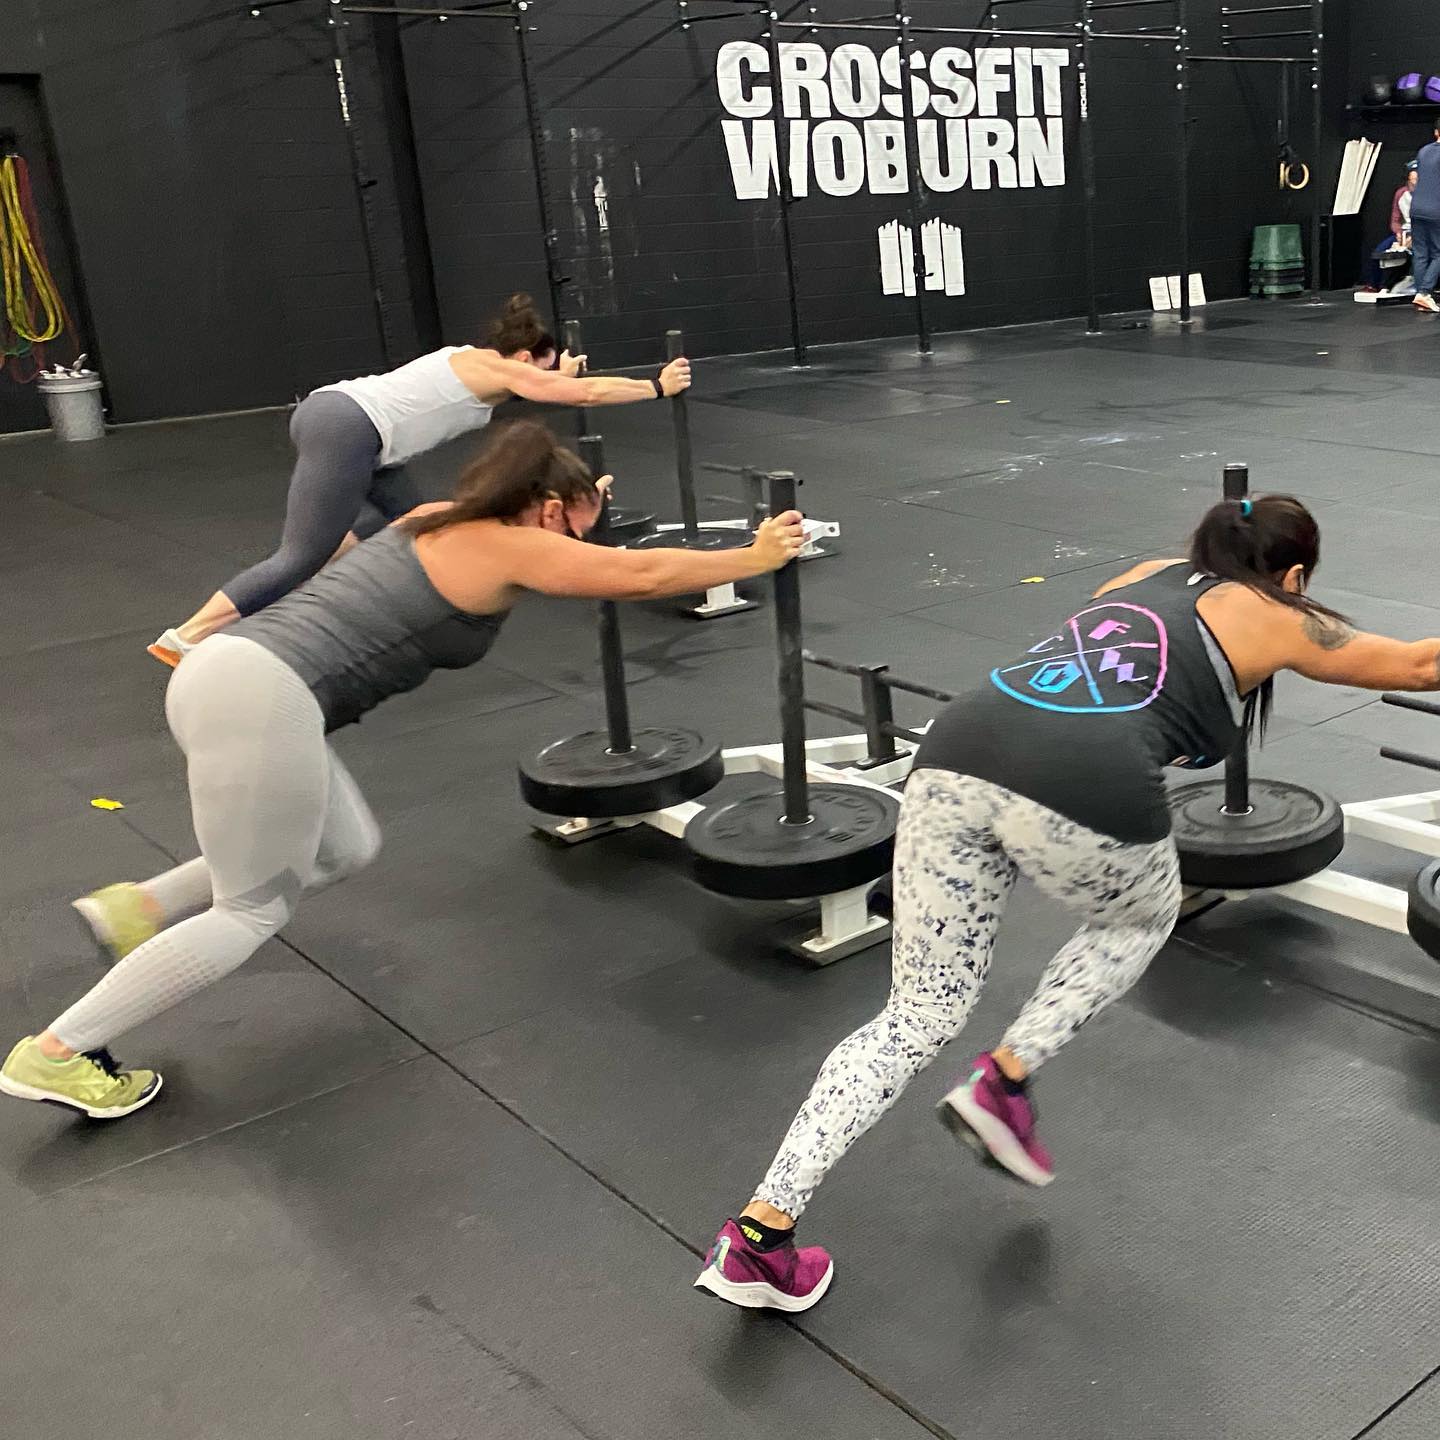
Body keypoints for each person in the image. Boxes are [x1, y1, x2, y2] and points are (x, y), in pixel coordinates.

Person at [694, 495, 1440, 1314]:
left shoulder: (1143, 577)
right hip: (1082, 776)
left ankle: (759, 1235)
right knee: (1140, 917)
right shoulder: (1278, 613)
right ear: (1293, 575)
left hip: (953, 752)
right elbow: (1417, 666)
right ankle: (1006, 1079)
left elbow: (1109, 672)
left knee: (915, 1015)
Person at [1, 421, 804, 1119]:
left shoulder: (433, 518)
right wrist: (755, 554)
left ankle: (141, 906)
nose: (577, 547)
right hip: (264, 699)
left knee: (342, 848)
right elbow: (642, 575)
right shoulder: (511, 545)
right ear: (547, 507)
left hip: (227, 673)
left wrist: (577, 501)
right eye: (575, 526)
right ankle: (59, 1052)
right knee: (251, 910)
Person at [147, 293, 693, 666]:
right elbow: (586, 393)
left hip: (361, 437)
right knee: (300, 554)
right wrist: (657, 386)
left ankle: (318, 603)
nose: (546, 380)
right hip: (348, 425)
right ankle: (187, 637)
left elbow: (542, 394)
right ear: (525, 357)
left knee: (409, 521)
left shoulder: (485, 372)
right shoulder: (495, 367)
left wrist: (557, 379)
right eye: (544, 370)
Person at [1361, 161, 1416, 293]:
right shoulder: (1400, 194)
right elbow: (1395, 220)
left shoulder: (1430, 195)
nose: (1415, 182)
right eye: (1412, 179)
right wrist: (1399, 233)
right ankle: (1374, 284)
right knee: (1379, 251)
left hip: (1421, 233)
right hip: (1404, 232)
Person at [1410, 120, 1440, 313]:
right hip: (1436, 209)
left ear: (1436, 132)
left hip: (1417, 207)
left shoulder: (1423, 151)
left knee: (1420, 253)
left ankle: (1421, 296)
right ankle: (1424, 292)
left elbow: (1415, 176)